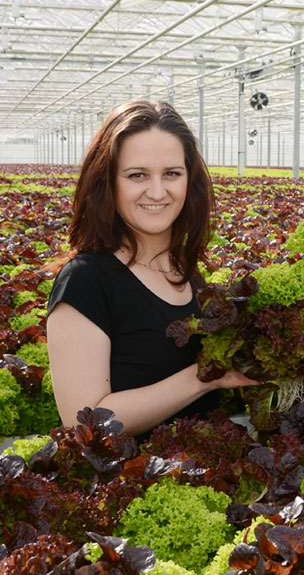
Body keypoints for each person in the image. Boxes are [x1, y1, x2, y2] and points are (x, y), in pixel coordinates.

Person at [46, 100, 257, 441]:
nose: (157, 191)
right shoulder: (86, 281)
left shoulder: (189, 274)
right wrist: (205, 377)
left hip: (204, 478)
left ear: (190, 180)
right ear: (107, 182)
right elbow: (83, 424)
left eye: (172, 173)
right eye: (137, 175)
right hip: (129, 488)